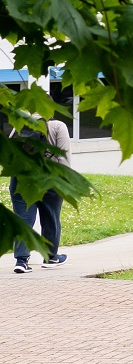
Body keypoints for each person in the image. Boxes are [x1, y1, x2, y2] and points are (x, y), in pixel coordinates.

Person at [8, 117, 72, 273]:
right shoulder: (58, 126)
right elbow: (64, 158)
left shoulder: (20, 124)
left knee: (23, 220)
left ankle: (21, 261)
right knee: (51, 216)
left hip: (20, 179)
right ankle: (50, 258)